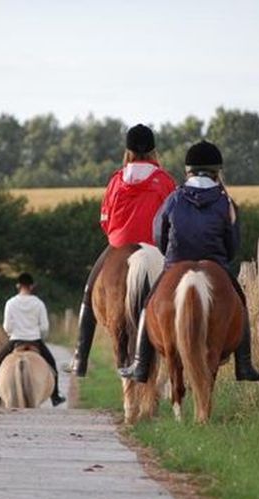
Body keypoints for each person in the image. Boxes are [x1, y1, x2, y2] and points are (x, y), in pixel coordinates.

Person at [118, 140, 259, 383]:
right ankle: (245, 363)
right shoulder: (226, 203)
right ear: (217, 171)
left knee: (148, 303)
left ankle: (140, 364)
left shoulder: (173, 199)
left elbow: (159, 234)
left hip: (176, 262)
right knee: (240, 302)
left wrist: (171, 259)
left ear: (188, 170)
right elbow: (233, 244)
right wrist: (221, 260)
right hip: (216, 263)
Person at [64, 123, 176, 376]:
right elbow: (172, 220)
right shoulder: (165, 180)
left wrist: (118, 238)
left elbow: (105, 219)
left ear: (128, 150)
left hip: (119, 244)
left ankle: (80, 358)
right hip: (156, 246)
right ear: (152, 150)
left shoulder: (117, 180)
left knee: (90, 287)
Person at [0, 273, 66, 407]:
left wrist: (12, 333)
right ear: (32, 286)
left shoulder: (10, 303)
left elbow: (7, 326)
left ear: (18, 285)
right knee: (52, 364)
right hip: (35, 341)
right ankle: (55, 396)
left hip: (15, 341)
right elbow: (45, 327)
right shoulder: (39, 303)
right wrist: (39, 334)